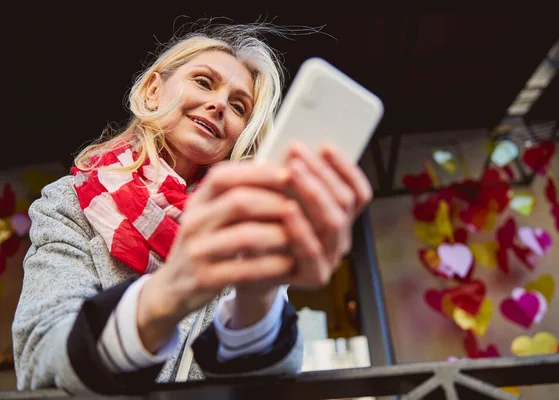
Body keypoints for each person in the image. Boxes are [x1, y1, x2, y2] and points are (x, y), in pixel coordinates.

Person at [12, 22, 373, 395]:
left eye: (238, 106)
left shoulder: (247, 221)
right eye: (203, 82)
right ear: (153, 91)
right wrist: (170, 293)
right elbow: (39, 358)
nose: (218, 105)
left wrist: (258, 293)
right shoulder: (69, 201)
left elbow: (274, 375)